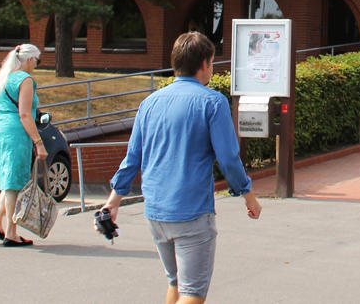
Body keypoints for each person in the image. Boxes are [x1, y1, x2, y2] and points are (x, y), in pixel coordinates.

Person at [98, 32, 262, 303]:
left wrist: (112, 202)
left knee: (176, 284)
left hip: (156, 212)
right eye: (211, 62)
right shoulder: (212, 102)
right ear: (205, 64)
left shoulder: (149, 103)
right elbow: (228, 159)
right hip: (191, 211)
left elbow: (132, 158)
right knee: (193, 293)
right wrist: (249, 196)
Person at [0, 43, 46, 247]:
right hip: (15, 132)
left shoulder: (3, 78)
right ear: (29, 59)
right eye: (37, 61)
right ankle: (11, 232)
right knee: (13, 182)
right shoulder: (25, 80)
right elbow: (25, 114)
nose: (36, 65)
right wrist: (39, 143)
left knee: (7, 177)